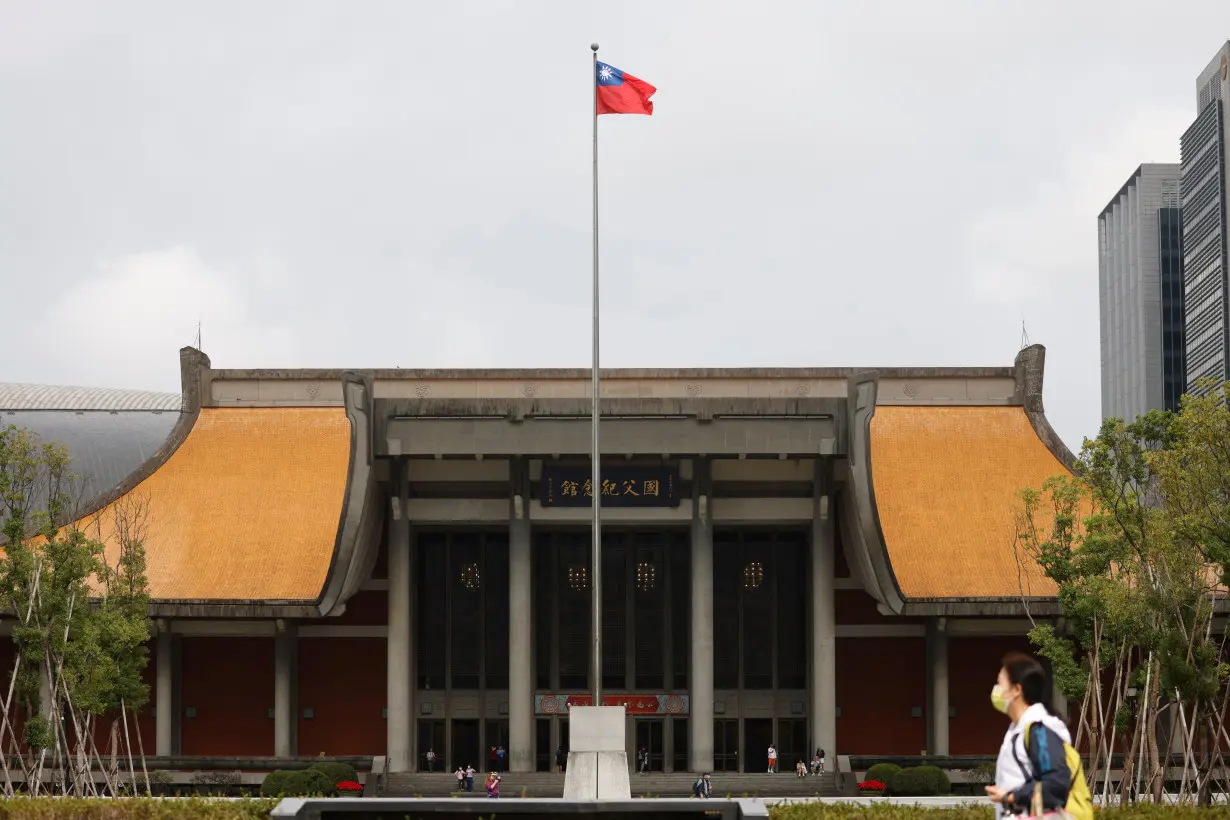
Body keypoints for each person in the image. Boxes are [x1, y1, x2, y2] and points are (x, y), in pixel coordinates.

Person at [984, 651, 1073, 817]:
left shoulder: (1039, 729)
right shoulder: (1019, 729)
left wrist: (1010, 797)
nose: (996, 689)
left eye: (999, 683)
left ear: (1017, 689)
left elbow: (1056, 783)